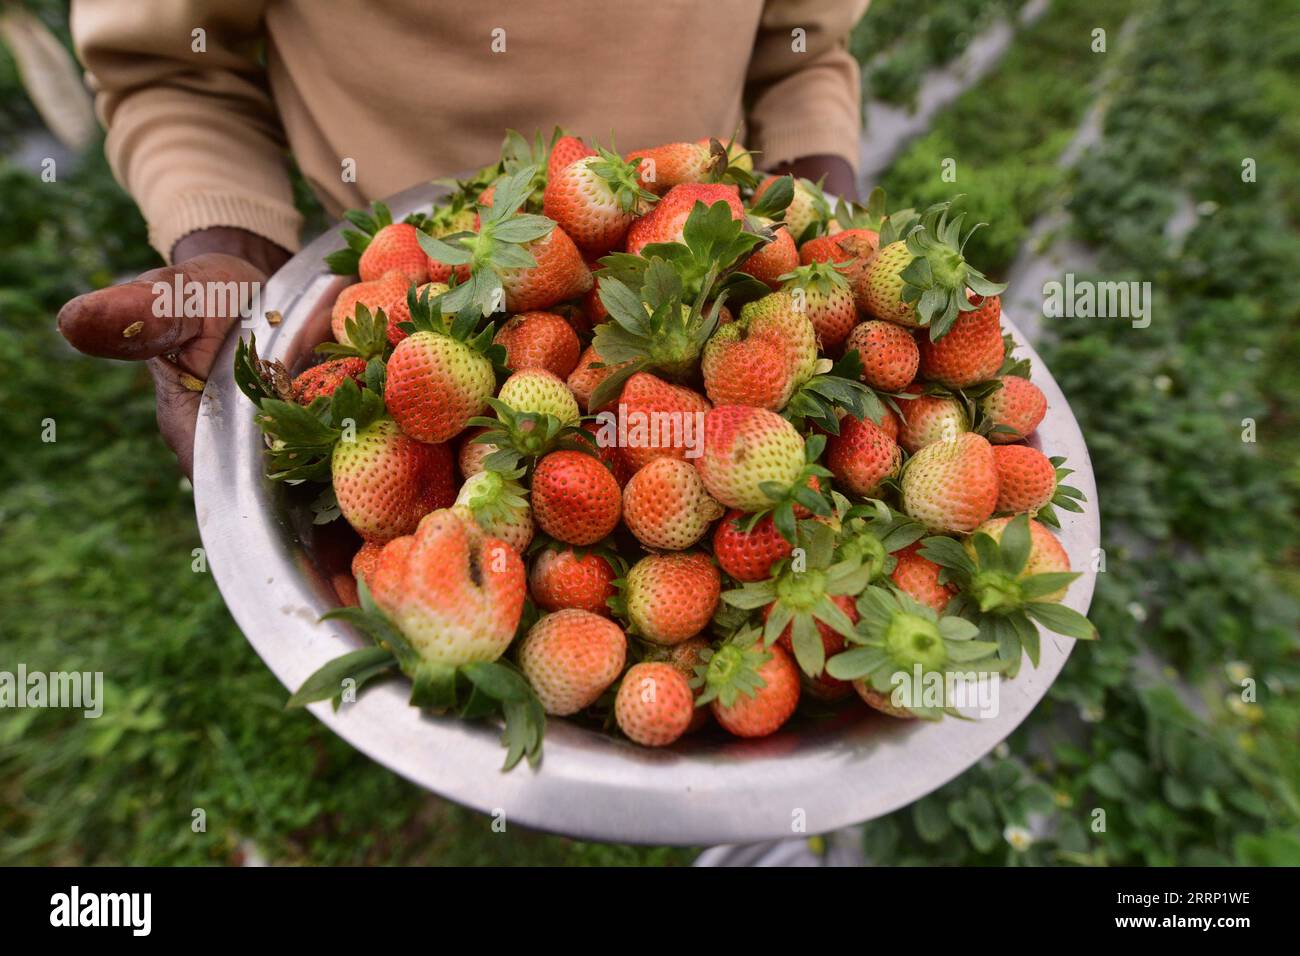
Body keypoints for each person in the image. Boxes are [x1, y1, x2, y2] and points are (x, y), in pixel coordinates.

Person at [57, 0, 867, 476]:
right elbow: (172, 66)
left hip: (725, 258)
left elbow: (803, 45)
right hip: (402, 294)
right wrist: (241, 274)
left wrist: (811, 237)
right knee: (439, 715)